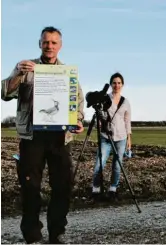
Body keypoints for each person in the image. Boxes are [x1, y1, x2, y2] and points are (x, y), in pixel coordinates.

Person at [1, 26, 85, 244]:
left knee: (62, 186)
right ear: (40, 44)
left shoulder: (68, 73)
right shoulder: (25, 68)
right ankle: (32, 235)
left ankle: (57, 232)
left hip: (60, 138)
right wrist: (18, 73)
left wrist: (78, 120)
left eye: (54, 42)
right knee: (30, 187)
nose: (49, 46)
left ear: (60, 45)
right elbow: (5, 93)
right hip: (32, 138)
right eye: (45, 42)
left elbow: (78, 102)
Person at [91, 72, 132, 200]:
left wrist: (129, 139)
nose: (116, 85)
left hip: (121, 137)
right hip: (105, 137)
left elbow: (127, 121)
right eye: (114, 83)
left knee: (117, 165)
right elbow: (99, 116)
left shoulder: (126, 102)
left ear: (122, 85)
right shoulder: (105, 99)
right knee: (99, 164)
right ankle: (96, 190)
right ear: (111, 84)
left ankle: (113, 190)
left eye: (119, 83)